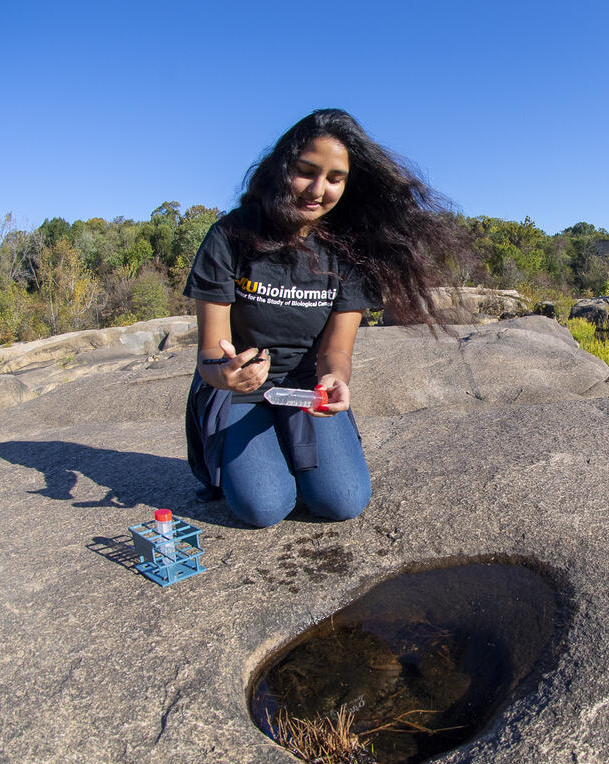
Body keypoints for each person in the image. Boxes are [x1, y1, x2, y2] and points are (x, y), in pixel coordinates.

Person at [183, 109, 463, 528]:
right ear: (282, 168)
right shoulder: (230, 236)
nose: (318, 190)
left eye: (335, 178)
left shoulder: (351, 251)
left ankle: (288, 449)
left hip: (304, 388)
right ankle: (239, 455)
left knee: (343, 500)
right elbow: (209, 351)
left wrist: (336, 380)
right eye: (306, 172)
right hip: (241, 387)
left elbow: (335, 352)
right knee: (264, 507)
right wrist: (225, 373)